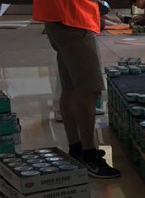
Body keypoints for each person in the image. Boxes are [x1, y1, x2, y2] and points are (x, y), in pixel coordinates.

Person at [34, 0, 121, 178]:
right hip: (73, 20)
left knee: (71, 88)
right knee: (88, 91)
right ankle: (89, 155)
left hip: (59, 20)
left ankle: (76, 148)